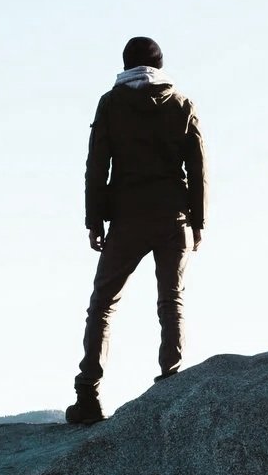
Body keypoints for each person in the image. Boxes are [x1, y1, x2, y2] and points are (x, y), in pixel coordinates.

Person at [67, 36, 206, 425]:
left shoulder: (111, 104)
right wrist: (198, 221)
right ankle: (171, 387)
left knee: (103, 304)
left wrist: (94, 220)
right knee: (171, 302)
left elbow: (97, 167)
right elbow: (197, 167)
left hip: (127, 218)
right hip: (172, 216)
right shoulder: (181, 103)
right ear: (159, 65)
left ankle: (88, 395)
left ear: (126, 64)